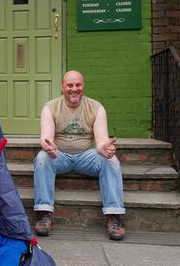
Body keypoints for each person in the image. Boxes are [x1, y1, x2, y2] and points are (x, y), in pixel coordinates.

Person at [33, 70, 126, 241]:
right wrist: (49, 147)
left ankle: (114, 216)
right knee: (41, 158)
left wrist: (104, 148)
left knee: (111, 160)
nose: (74, 89)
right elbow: (45, 138)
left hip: (87, 156)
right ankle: (43, 214)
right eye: (70, 85)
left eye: (78, 85)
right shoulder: (51, 107)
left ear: (83, 86)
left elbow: (100, 141)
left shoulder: (96, 107)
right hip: (59, 155)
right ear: (62, 87)